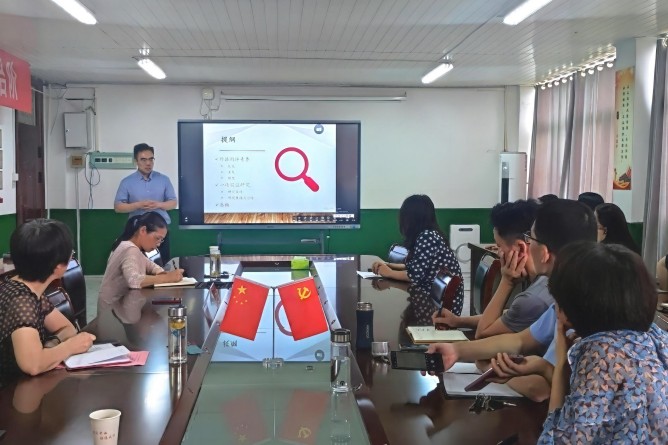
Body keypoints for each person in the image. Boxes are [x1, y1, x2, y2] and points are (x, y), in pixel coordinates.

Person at [427, 199, 597, 401]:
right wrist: (455, 351)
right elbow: (520, 340)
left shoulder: (580, 308)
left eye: (531, 238)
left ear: (544, 253)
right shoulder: (568, 295)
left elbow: (539, 389)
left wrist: (487, 366)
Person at [537, 242, 668, 444]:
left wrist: (561, 364)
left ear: (569, 308)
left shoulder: (601, 354)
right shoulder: (656, 337)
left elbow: (554, 441)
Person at [433, 199, 554, 339]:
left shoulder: (532, 300)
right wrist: (457, 321)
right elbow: (509, 316)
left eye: (499, 246)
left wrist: (507, 282)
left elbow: (482, 334)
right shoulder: (544, 282)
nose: (498, 253)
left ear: (520, 248)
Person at [0, 220, 96, 383]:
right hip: (11, 391)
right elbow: (33, 365)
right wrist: (70, 346)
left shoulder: (24, 288)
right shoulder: (21, 301)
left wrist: (51, 345)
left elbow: (67, 328)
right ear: (58, 267)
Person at [370, 195, 464, 315]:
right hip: (435, 299)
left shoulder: (427, 236)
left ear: (412, 218)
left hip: (442, 307)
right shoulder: (428, 234)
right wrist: (388, 265)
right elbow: (415, 266)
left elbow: (415, 275)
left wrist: (389, 273)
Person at [98, 212, 183, 310]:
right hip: (112, 310)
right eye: (157, 238)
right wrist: (166, 278)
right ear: (143, 230)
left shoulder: (134, 249)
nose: (158, 244)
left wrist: (163, 273)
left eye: (161, 240)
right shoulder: (129, 249)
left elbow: (151, 265)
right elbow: (134, 280)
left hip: (121, 306)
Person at [114, 143, 177, 262]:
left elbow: (173, 203)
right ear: (136, 161)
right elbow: (118, 207)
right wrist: (137, 205)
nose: (148, 163)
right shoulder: (127, 182)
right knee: (138, 264)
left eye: (151, 159)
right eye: (143, 160)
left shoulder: (164, 179)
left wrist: (158, 205)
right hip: (137, 232)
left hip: (160, 232)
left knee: (161, 264)